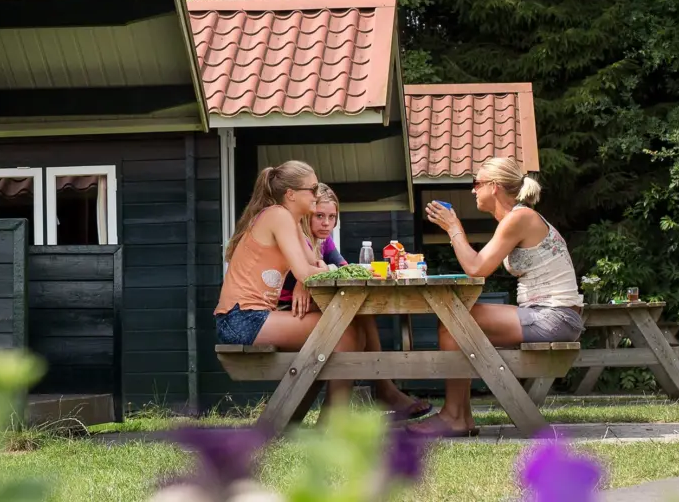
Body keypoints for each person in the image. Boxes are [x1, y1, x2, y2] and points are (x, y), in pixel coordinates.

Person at [213, 163, 432, 420]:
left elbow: (315, 264)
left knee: (350, 331)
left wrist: (324, 269)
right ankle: (331, 423)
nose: (316, 195)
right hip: (240, 319)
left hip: (253, 317)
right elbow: (305, 272)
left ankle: (322, 419)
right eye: (312, 188)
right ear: (291, 194)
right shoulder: (277, 215)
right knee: (347, 336)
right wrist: (346, 273)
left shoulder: (290, 220)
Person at [409, 157, 583, 437]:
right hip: (552, 315)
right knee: (455, 324)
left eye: (476, 183)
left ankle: (454, 416)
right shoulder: (517, 218)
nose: (472, 190)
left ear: (494, 187)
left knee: (454, 321)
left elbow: (477, 268)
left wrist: (454, 228)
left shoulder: (520, 217)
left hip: (554, 317)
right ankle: (460, 416)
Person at [278, 183, 434, 420]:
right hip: (289, 313)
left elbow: (343, 269)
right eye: (319, 216)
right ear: (306, 215)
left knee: (360, 311)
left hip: (313, 309)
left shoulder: (325, 242)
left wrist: (325, 267)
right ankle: (383, 390)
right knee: (355, 320)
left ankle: (382, 390)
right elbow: (311, 274)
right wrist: (308, 276)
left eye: (332, 217)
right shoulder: (298, 239)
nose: (326, 223)